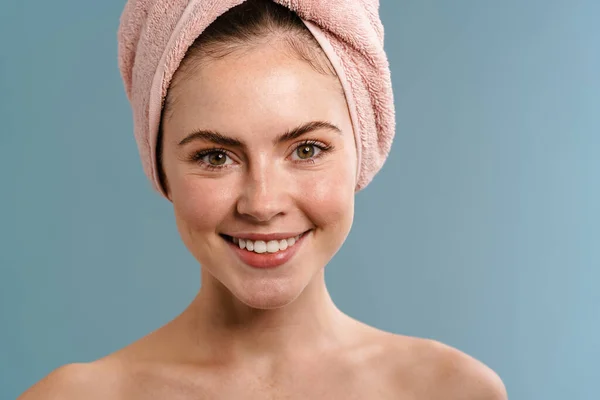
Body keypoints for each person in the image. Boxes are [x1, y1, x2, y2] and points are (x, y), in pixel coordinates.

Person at [19, 1, 507, 398]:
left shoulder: (453, 390)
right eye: (215, 156)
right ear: (160, 167)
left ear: (363, 149)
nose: (262, 202)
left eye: (307, 149)